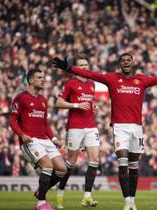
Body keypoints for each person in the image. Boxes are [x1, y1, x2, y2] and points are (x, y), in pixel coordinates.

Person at [53, 53, 157, 210]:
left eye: (128, 60)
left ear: (133, 63)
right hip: (120, 127)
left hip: (137, 128)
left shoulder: (141, 80)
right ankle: (126, 203)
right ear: (119, 64)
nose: (126, 62)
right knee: (122, 161)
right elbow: (90, 74)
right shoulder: (112, 79)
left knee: (133, 165)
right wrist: (69, 68)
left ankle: (132, 201)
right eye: (123, 60)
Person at [9, 69, 67, 210]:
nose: (43, 80)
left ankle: (41, 191)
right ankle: (41, 203)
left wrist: (53, 138)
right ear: (31, 80)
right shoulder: (21, 97)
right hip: (30, 140)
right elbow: (12, 119)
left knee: (62, 169)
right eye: (39, 77)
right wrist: (22, 135)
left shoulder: (43, 100)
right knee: (47, 165)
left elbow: (45, 123)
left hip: (45, 140)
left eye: (43, 77)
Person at [55, 53, 100, 208]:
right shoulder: (70, 84)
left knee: (94, 160)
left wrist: (94, 109)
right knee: (71, 162)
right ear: (75, 68)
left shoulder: (91, 84)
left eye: (86, 65)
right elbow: (58, 103)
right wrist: (76, 105)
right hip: (75, 126)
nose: (84, 67)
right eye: (81, 65)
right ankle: (60, 192)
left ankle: (87, 197)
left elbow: (89, 103)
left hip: (90, 126)